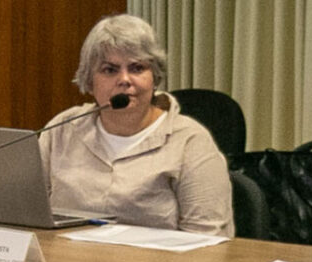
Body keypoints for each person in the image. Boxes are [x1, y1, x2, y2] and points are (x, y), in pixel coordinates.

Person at [39, 15, 232, 233]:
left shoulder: (190, 141)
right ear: (89, 80)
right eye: (109, 70)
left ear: (154, 77)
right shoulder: (62, 129)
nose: (125, 79)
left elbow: (208, 240)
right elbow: (28, 213)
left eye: (137, 68)